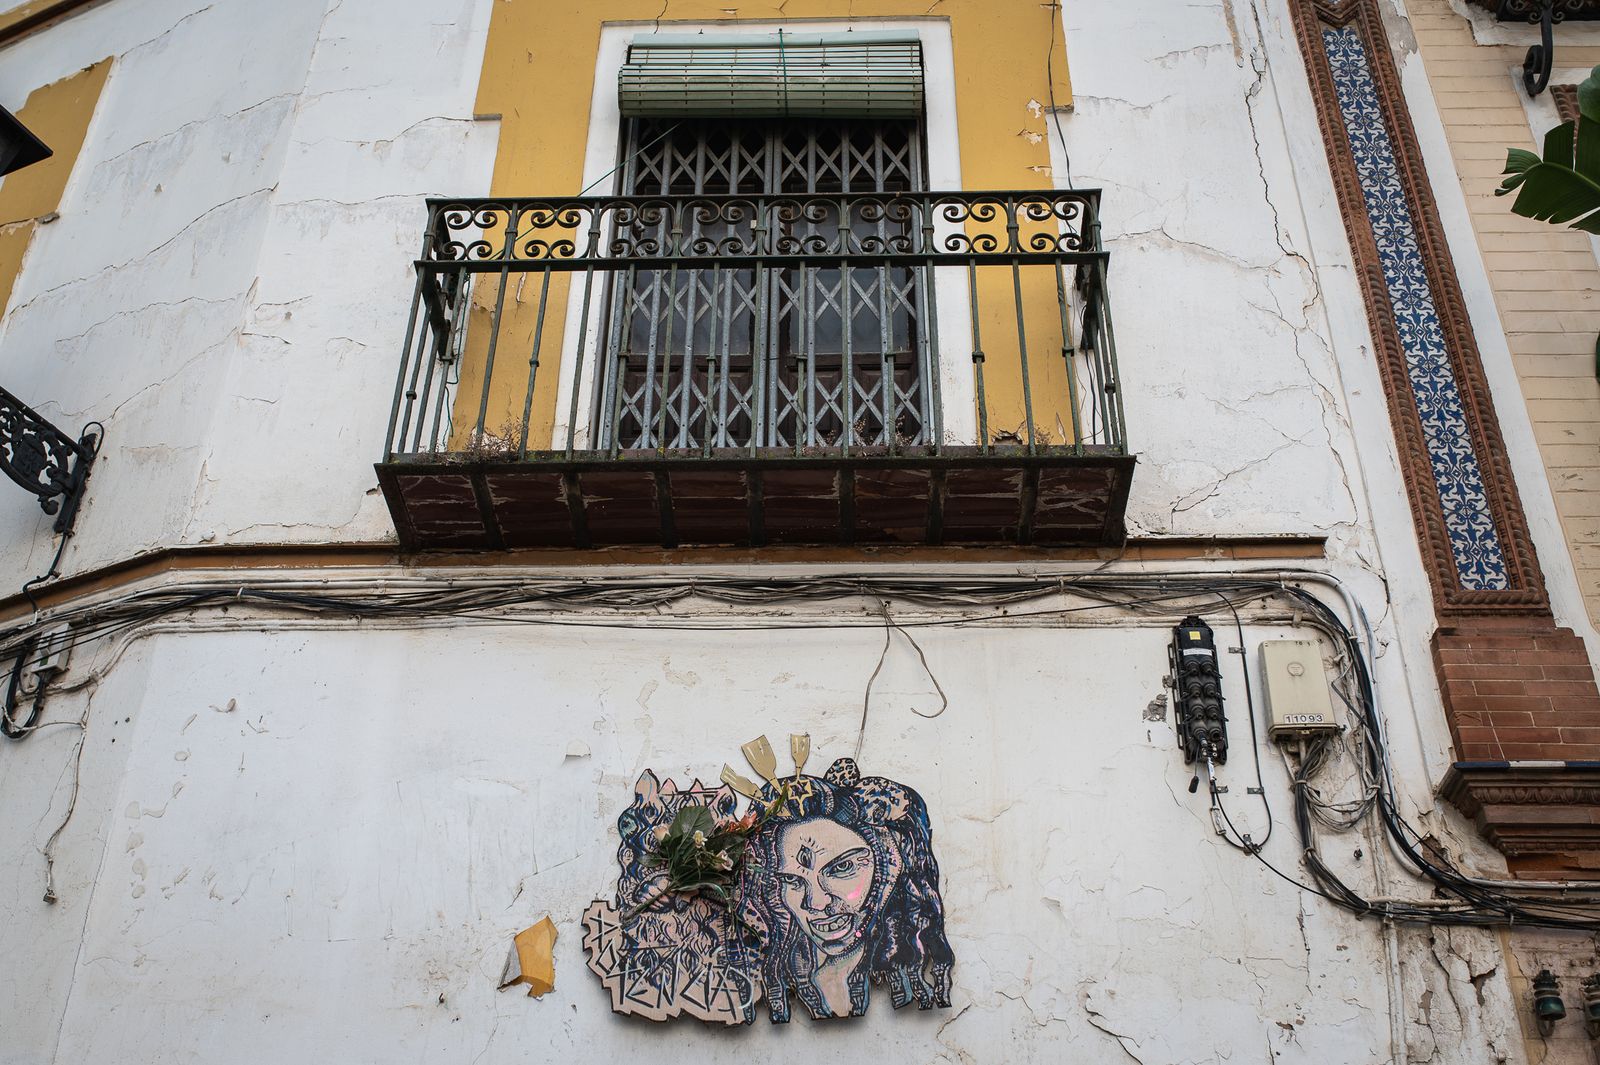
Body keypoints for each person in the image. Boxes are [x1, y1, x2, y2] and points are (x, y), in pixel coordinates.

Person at [738, 757, 954, 1023]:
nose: (816, 903)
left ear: (887, 865)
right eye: (793, 881)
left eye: (842, 868)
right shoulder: (792, 973)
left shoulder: (894, 958)